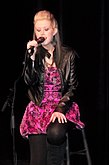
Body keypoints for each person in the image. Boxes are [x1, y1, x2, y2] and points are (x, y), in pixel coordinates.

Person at [19, 10, 84, 165]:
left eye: (46, 29)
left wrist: (60, 108)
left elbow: (73, 87)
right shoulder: (34, 54)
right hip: (39, 106)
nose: (42, 33)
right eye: (38, 30)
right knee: (38, 160)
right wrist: (31, 60)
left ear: (54, 31)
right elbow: (28, 82)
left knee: (55, 133)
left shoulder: (69, 55)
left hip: (62, 105)